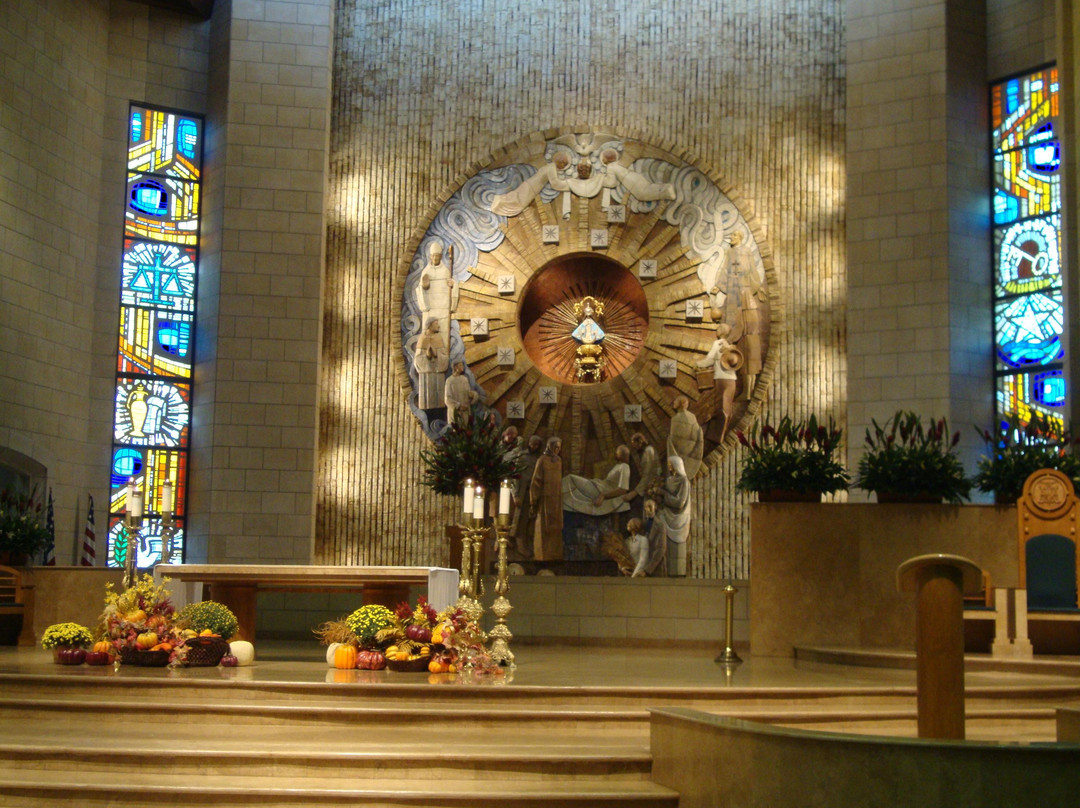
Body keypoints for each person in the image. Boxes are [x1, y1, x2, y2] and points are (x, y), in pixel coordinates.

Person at [696, 323, 739, 442]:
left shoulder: (718, 343)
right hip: (732, 379)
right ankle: (722, 434)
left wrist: (697, 364)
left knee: (720, 407)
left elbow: (709, 360)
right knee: (728, 408)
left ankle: (717, 436)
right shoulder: (731, 346)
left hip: (721, 379)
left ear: (720, 331)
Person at [561, 444, 632, 516]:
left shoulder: (625, 467)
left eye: (622, 453)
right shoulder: (618, 466)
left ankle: (553, 496)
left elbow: (623, 489)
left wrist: (603, 495)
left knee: (570, 479)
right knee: (570, 486)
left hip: (599, 490)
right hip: (597, 486)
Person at [415, 240, 459, 348]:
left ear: (440, 257)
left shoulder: (445, 271)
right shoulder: (426, 272)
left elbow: (452, 286)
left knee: (443, 336)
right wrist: (423, 286)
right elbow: (420, 289)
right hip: (431, 309)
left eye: (437, 256)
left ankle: (443, 356)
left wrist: (453, 285)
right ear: (430, 257)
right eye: (433, 256)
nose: (435, 259)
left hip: (443, 308)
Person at [655, 456, 691, 576]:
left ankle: (678, 575)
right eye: (669, 464)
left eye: (671, 464)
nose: (669, 466)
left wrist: (663, 493)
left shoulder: (684, 481)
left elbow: (679, 502)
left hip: (678, 518)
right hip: (667, 515)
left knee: (678, 551)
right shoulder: (669, 480)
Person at [529, 437, 563, 561]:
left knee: (555, 530)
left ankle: (555, 556)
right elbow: (535, 482)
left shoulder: (558, 461)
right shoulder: (542, 460)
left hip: (556, 502)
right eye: (555, 447)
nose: (557, 450)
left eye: (559, 447)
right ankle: (541, 557)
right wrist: (534, 501)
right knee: (543, 530)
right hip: (544, 501)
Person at [511, 434, 544, 558]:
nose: (533, 446)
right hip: (522, 491)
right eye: (532, 443)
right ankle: (519, 541)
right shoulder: (522, 456)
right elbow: (514, 475)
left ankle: (527, 541)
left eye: (536, 444)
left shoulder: (539, 458)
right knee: (521, 518)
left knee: (531, 517)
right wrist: (515, 494)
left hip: (533, 491)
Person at [413, 320, 448, 410]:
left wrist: (436, 355)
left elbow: (444, 357)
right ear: (430, 325)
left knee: (439, 401)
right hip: (426, 375)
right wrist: (427, 356)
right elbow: (417, 359)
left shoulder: (439, 338)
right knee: (427, 398)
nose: (439, 326)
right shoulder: (423, 338)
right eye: (436, 324)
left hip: (438, 374)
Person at [667, 395, 704, 479]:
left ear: (681, 404)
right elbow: (697, 433)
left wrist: (670, 441)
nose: (674, 402)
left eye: (676, 401)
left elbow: (674, 438)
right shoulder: (692, 416)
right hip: (690, 451)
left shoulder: (675, 419)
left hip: (680, 451)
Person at [622, 432, 658, 508]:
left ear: (640, 442)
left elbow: (648, 475)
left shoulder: (649, 451)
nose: (634, 447)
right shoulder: (647, 451)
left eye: (634, 444)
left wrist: (634, 493)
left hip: (653, 487)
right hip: (649, 486)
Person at [444, 360, 478, 425]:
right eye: (460, 365)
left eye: (462, 365)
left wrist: (473, 395)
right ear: (455, 367)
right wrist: (459, 406)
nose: (462, 367)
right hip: (455, 414)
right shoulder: (449, 381)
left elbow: (468, 393)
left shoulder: (464, 379)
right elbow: (447, 399)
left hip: (465, 412)